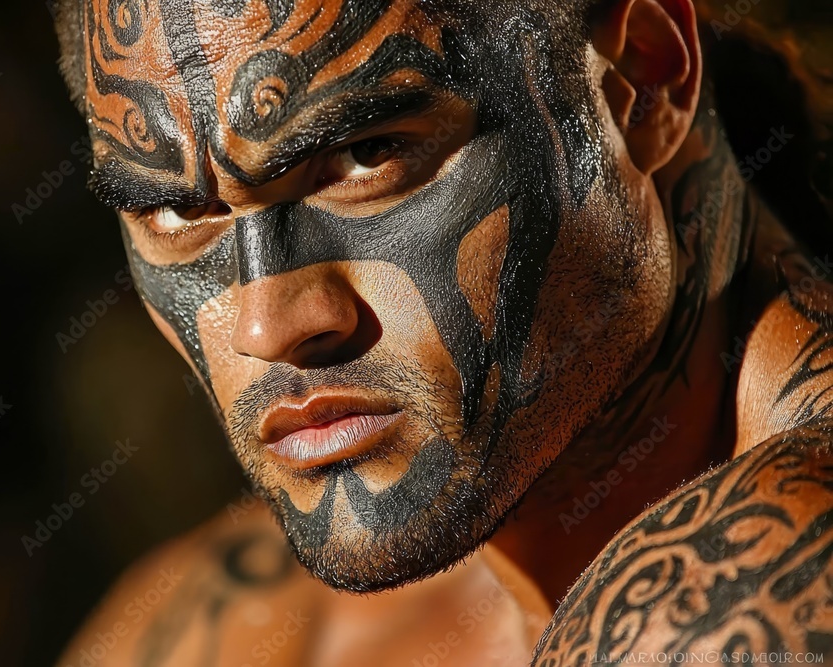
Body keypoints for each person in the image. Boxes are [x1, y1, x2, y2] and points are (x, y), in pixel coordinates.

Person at [53, 0, 833, 664]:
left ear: (645, 79)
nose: (267, 325)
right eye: (179, 209)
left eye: (366, 154)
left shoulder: (747, 594)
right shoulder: (215, 625)